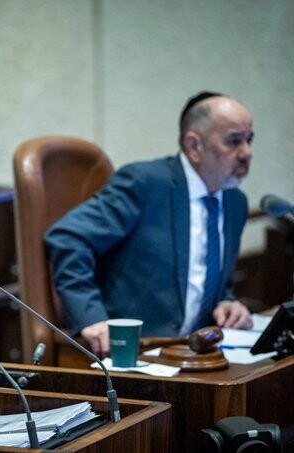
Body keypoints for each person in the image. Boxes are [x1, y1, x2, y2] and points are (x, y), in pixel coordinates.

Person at [44, 91, 255, 357]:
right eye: (234, 141)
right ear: (194, 146)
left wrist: (226, 303)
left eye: (249, 140)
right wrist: (91, 317)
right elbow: (68, 238)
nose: (247, 153)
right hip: (133, 352)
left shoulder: (235, 202)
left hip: (198, 354)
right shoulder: (145, 184)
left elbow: (213, 279)